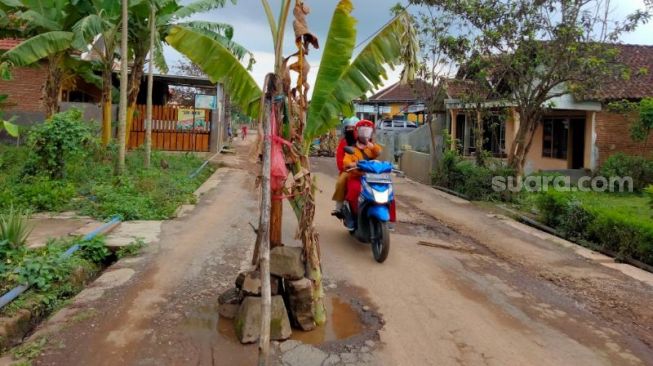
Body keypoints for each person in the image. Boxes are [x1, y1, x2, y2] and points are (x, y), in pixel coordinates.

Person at [332, 119, 381, 216]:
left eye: (352, 127)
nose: (350, 129)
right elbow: (342, 160)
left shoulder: (367, 144)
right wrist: (349, 166)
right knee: (341, 182)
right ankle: (339, 207)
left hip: (367, 172)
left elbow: (378, 153)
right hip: (350, 170)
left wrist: (371, 146)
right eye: (348, 127)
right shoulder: (344, 142)